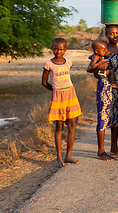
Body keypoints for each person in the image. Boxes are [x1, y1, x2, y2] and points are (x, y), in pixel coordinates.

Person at [42, 37, 82, 167]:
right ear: (52, 48)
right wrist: (54, 91)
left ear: (65, 50)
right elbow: (44, 82)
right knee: (59, 127)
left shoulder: (68, 62)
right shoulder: (49, 64)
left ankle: (68, 155)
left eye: (61, 49)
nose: (58, 51)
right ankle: (59, 157)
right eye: (55, 49)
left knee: (72, 126)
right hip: (58, 97)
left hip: (70, 95)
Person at [92, 25, 118, 161]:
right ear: (106, 34)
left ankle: (114, 147)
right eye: (112, 33)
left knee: (116, 117)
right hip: (106, 89)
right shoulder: (102, 49)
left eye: (117, 33)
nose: (115, 35)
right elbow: (94, 70)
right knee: (103, 117)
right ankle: (101, 151)